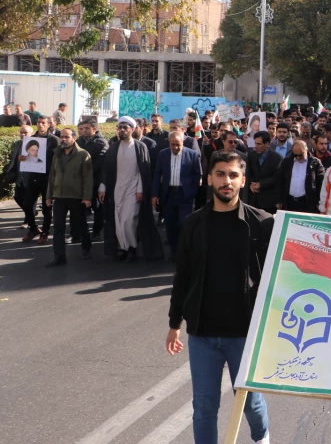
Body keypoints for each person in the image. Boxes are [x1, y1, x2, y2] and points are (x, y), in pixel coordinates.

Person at [166, 151, 272, 444]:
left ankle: (262, 439)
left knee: (250, 403)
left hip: (245, 335)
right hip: (203, 335)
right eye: (221, 174)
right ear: (209, 178)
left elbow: (280, 277)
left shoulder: (263, 223)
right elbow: (182, 277)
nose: (227, 181)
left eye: (233, 175)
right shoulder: (193, 224)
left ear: (243, 180)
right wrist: (175, 323)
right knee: (203, 408)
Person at [99, 116, 162, 262]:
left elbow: (143, 171)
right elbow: (107, 170)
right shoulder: (114, 147)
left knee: (128, 221)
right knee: (119, 221)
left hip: (134, 190)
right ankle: (125, 248)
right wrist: (103, 187)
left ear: (132, 129)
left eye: (125, 127)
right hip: (117, 190)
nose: (122, 130)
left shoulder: (140, 147)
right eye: (120, 127)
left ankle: (132, 248)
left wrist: (140, 189)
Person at [44, 128, 93, 266]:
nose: (63, 139)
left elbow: (88, 178)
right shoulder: (57, 154)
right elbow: (52, 176)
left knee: (80, 224)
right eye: (61, 137)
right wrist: (49, 196)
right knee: (58, 227)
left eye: (66, 137)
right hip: (59, 196)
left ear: (74, 138)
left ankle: (86, 247)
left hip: (76, 197)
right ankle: (59, 257)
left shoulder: (83, 155)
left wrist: (87, 197)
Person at [152, 131, 203, 261]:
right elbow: (157, 175)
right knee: (170, 225)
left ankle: (185, 252)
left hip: (185, 195)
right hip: (168, 195)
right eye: (172, 144)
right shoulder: (163, 154)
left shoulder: (192, 155)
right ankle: (174, 252)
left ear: (183, 143)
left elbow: (198, 176)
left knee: (184, 224)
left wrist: (192, 193)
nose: (175, 147)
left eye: (178, 145)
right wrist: (155, 194)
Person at [21, 117, 59, 243]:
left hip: (48, 178)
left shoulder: (54, 140)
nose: (41, 125)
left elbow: (59, 158)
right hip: (33, 176)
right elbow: (27, 155)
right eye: (39, 122)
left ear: (48, 125)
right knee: (27, 204)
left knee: (46, 207)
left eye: (43, 123)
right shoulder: (31, 139)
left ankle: (45, 232)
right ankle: (33, 229)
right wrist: (22, 158)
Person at [7, 125, 43, 242]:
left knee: (29, 203)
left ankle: (32, 225)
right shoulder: (17, 143)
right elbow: (14, 159)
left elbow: (39, 159)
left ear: (31, 133)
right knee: (17, 197)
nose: (23, 135)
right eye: (21, 132)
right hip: (19, 177)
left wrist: (27, 157)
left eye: (25, 133)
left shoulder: (36, 143)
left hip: (31, 179)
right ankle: (31, 217)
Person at [276, 139, 324, 212]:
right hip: (290, 202)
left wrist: (318, 202)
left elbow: (321, 183)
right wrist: (279, 200)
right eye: (296, 155)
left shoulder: (315, 163)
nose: (298, 157)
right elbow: (280, 181)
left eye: (301, 155)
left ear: (306, 150)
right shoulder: (287, 162)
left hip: (307, 202)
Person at [247, 131, 283, 215]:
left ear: (267, 144)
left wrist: (261, 184)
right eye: (255, 143)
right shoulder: (251, 155)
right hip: (253, 200)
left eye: (259, 144)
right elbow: (248, 173)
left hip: (269, 201)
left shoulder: (277, 158)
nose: (256, 146)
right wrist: (251, 184)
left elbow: (277, 178)